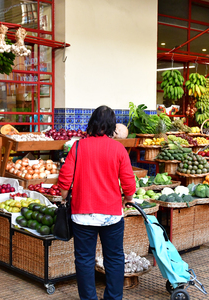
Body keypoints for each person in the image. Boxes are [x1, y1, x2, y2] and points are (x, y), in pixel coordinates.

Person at [58, 106, 136, 300]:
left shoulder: (78, 146)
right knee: (115, 258)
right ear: (112, 126)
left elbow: (65, 179)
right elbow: (128, 180)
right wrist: (128, 199)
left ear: (92, 122)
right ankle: (113, 297)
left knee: (84, 260)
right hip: (111, 215)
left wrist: (63, 196)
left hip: (82, 214)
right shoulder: (118, 148)